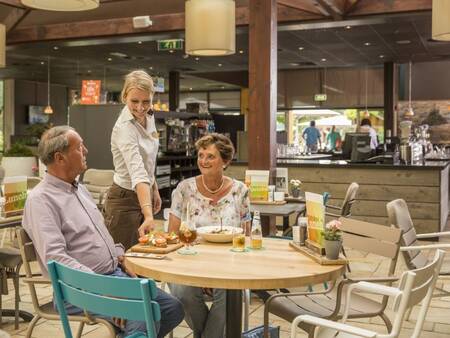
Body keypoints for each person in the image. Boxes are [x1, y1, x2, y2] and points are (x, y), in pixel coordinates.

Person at [22, 126, 184, 338]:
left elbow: (98, 237)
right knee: (143, 312)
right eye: (80, 147)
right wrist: (105, 290)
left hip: (113, 275)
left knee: (172, 308)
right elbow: (56, 259)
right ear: (60, 158)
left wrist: (120, 256)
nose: (86, 151)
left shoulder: (79, 189)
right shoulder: (41, 200)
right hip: (79, 290)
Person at [168, 133, 250, 338]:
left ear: (226, 161)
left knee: (230, 292)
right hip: (190, 262)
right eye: (201, 155)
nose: (203, 161)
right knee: (181, 292)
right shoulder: (184, 189)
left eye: (210, 156)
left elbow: (247, 236)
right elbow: (172, 234)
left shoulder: (240, 191)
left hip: (230, 264)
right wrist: (201, 270)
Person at [104, 70, 161, 250]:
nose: (140, 107)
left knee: (144, 258)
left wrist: (154, 188)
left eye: (146, 101)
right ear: (124, 96)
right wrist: (149, 215)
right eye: (134, 101)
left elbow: (148, 161)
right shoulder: (124, 128)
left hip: (144, 193)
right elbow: (137, 172)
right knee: (125, 262)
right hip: (124, 199)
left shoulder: (149, 116)